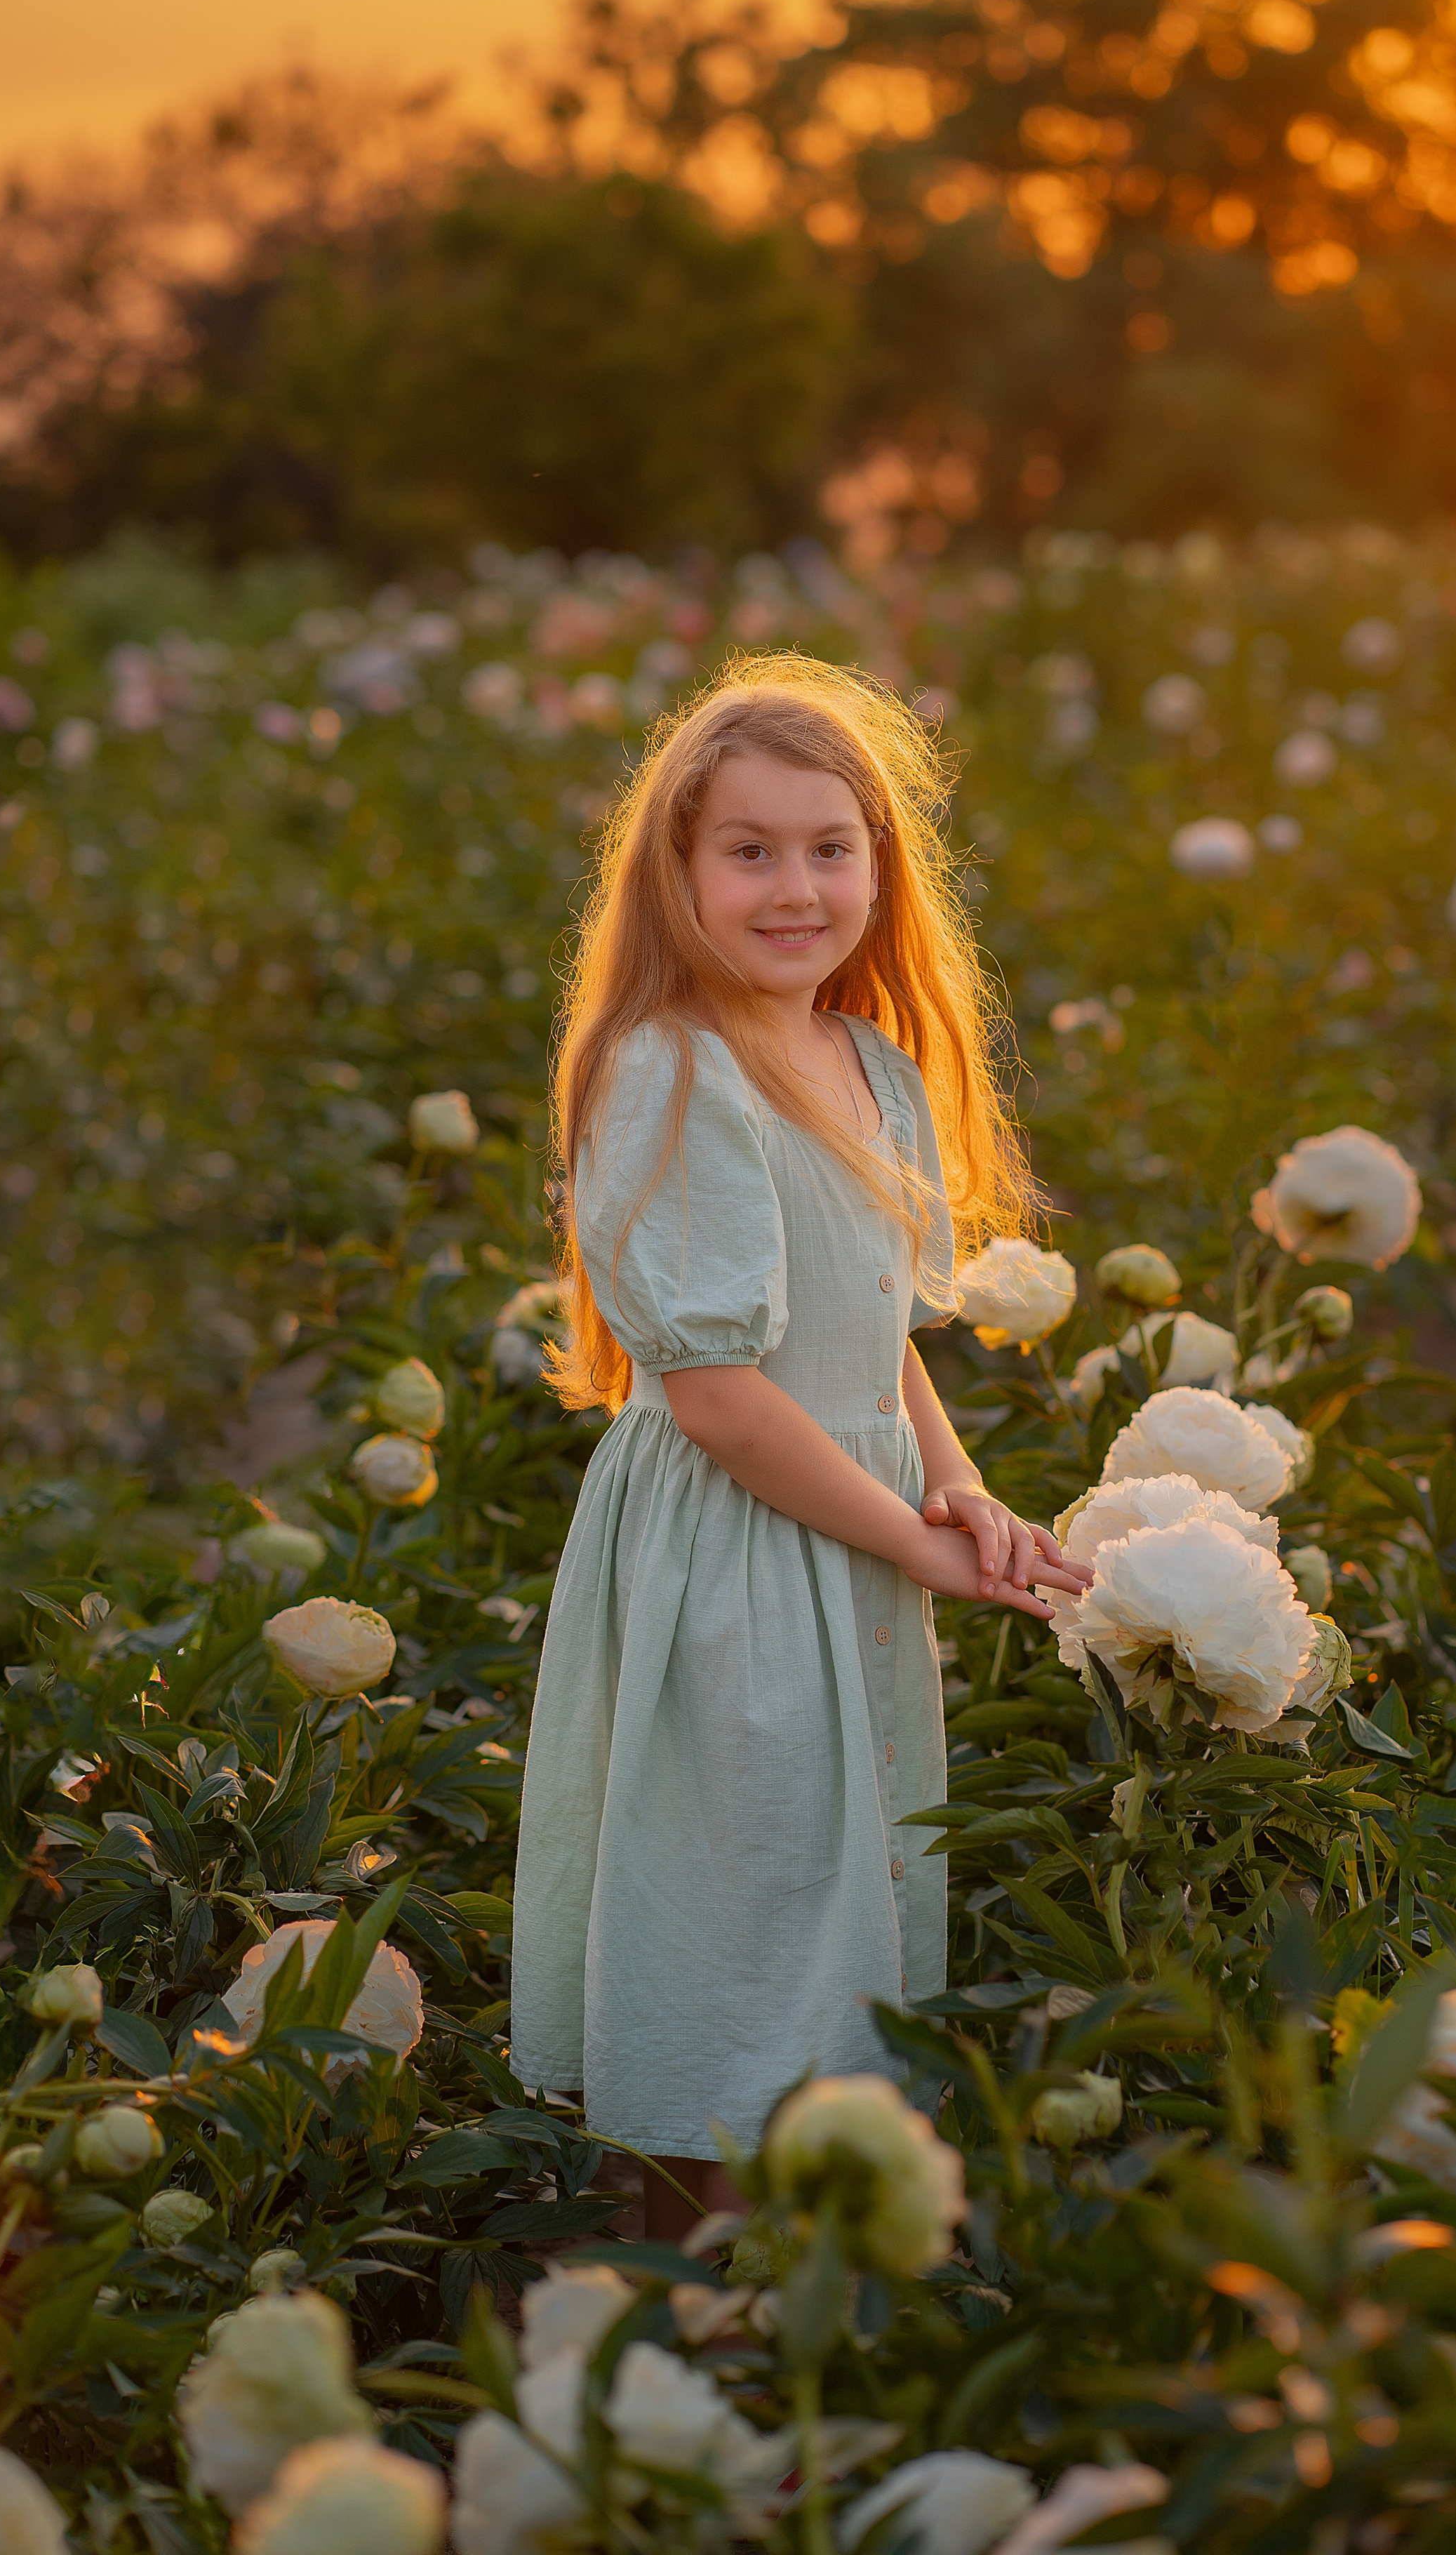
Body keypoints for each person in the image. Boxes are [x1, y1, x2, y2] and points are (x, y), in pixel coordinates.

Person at [509, 650, 1091, 2240]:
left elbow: (875, 1341)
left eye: (829, 848)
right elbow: (719, 1399)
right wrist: (905, 1536)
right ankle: (685, 2311)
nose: (794, 886)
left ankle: (794, 2319)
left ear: (879, 870)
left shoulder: (875, 1068)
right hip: (737, 1564)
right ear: (676, 873)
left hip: (844, 1542)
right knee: (733, 1935)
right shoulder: (670, 1068)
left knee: (830, 1932)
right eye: (748, 851)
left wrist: (965, 1494)